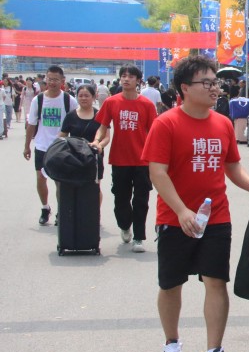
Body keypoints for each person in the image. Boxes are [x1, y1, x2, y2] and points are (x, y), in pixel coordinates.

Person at [142, 55, 249, 352]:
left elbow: (232, 166)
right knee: (171, 284)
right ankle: (171, 344)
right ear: (185, 88)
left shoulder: (222, 123)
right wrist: (182, 210)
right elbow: (157, 172)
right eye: (206, 82)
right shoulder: (166, 124)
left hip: (216, 217)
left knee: (216, 280)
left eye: (215, 82)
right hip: (174, 218)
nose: (214, 88)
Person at [92, 65, 157, 253]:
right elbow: (103, 127)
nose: (126, 79)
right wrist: (97, 141)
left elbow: (154, 132)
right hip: (119, 159)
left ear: (138, 80)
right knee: (121, 198)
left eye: (131, 76)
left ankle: (138, 237)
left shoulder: (146, 105)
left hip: (142, 160)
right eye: (123, 76)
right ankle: (124, 225)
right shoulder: (111, 102)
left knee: (141, 200)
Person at [23, 65, 79, 225]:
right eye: (50, 79)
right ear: (45, 79)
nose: (52, 82)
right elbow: (32, 124)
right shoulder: (38, 100)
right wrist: (27, 146)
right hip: (42, 146)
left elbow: (76, 122)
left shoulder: (69, 100)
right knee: (41, 178)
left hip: (61, 147)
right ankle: (45, 207)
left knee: (59, 181)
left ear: (62, 81)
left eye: (56, 79)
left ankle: (61, 211)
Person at [59, 84, 108, 205]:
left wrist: (99, 145)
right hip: (74, 158)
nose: (83, 98)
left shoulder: (100, 114)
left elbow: (107, 137)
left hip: (94, 157)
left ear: (94, 97)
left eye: (87, 95)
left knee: (95, 187)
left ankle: (95, 213)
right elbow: (62, 136)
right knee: (75, 187)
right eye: (80, 96)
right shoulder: (71, 116)